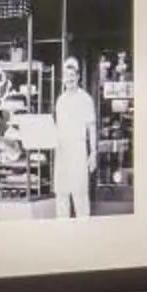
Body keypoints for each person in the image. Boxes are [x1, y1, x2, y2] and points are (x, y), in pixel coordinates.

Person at [51, 54, 97, 218]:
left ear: (78, 77)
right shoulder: (60, 100)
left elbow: (91, 127)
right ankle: (63, 230)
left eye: (72, 75)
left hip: (78, 150)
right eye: (66, 75)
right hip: (62, 150)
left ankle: (83, 230)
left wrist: (93, 153)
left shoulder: (86, 99)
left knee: (80, 194)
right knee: (62, 193)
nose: (69, 78)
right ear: (62, 78)